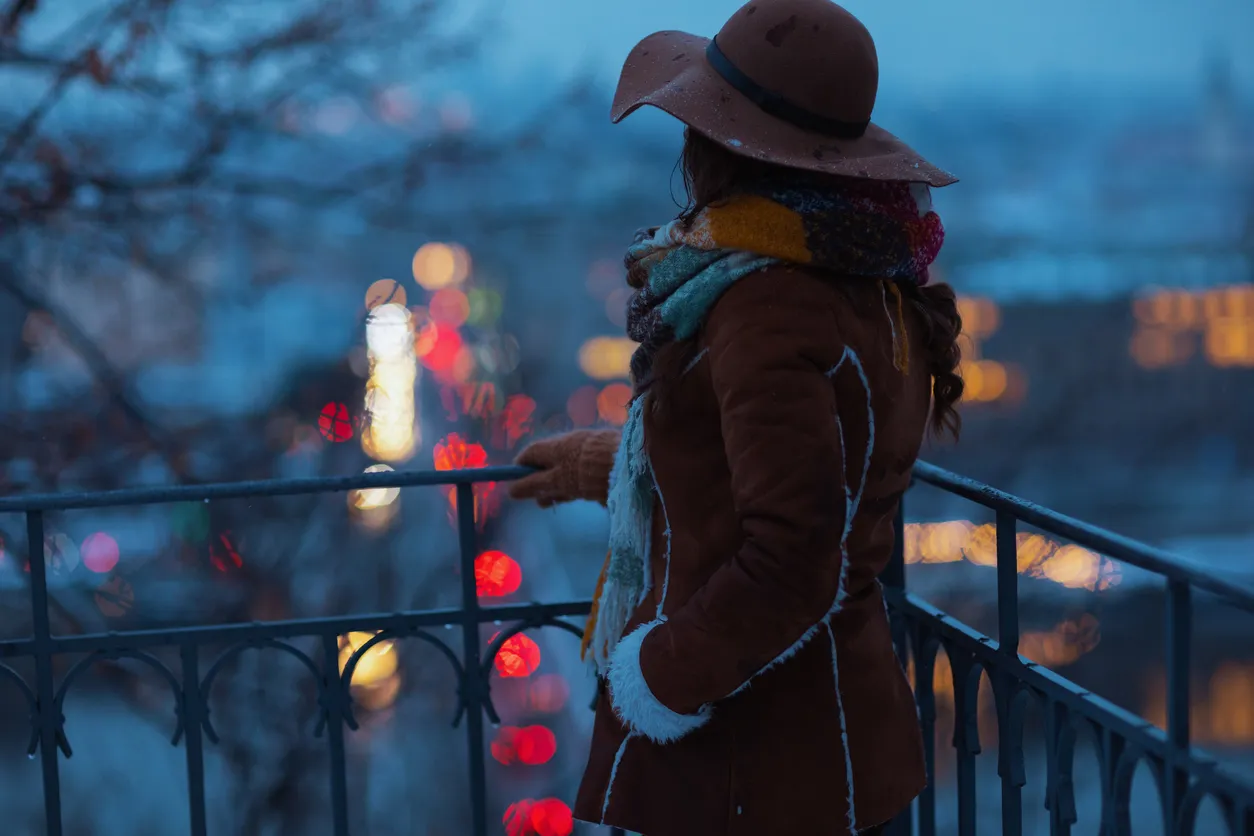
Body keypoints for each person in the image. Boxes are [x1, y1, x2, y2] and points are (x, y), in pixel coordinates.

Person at [508, 1, 963, 833]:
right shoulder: (861, 279)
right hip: (831, 740)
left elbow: (794, 556)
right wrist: (609, 466)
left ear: (715, 147)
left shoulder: (767, 303)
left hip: (755, 765)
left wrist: (660, 677)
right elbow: (809, 471)